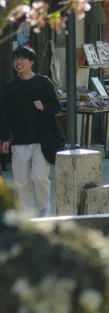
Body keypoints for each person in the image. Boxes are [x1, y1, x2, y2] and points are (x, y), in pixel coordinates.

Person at [0, 46, 62, 216]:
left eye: (22, 59)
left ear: (31, 61)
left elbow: (56, 107)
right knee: (21, 181)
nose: (18, 63)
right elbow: (4, 114)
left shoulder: (43, 82)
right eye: (15, 59)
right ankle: (27, 215)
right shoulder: (10, 87)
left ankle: (43, 212)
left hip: (42, 140)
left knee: (40, 178)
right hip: (19, 139)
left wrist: (44, 106)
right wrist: (4, 138)